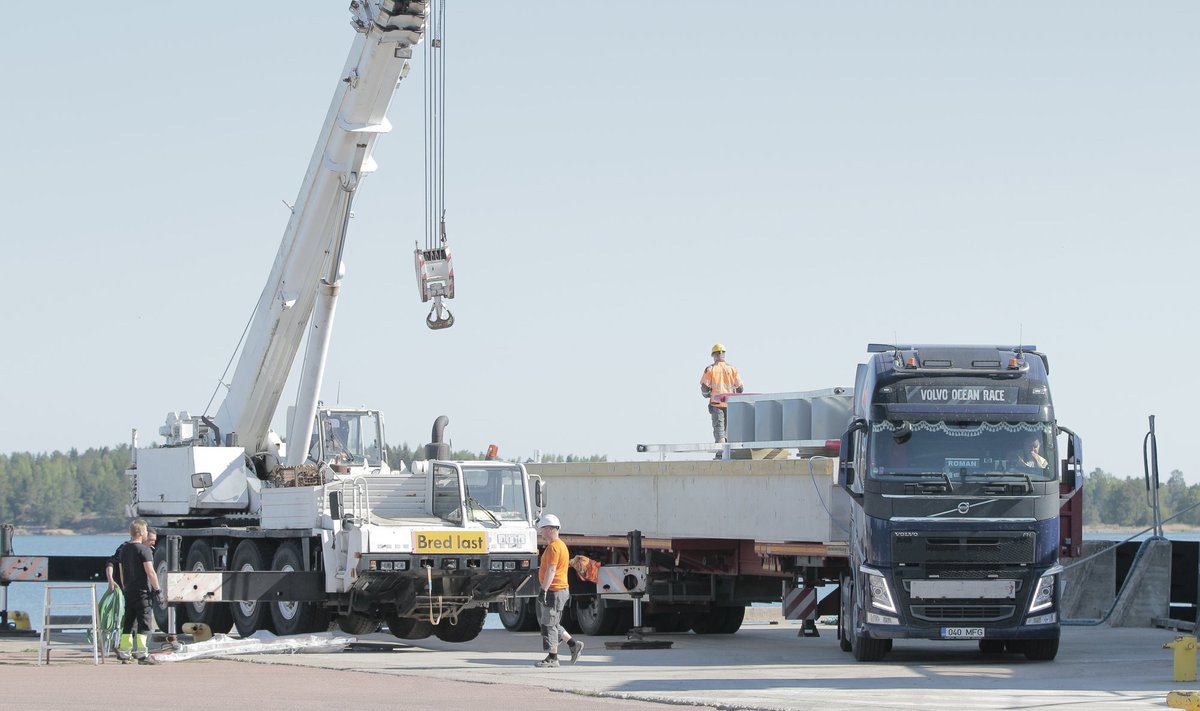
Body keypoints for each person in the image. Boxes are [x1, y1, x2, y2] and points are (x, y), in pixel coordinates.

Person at [534, 513, 583, 668]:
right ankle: (574, 645)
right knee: (553, 623)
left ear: (550, 529)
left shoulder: (554, 547)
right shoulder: (560, 545)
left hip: (555, 590)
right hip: (559, 590)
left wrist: (544, 590)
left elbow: (552, 570)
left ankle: (552, 658)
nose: (541, 532)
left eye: (542, 528)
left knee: (548, 624)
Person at [112, 519, 163, 664]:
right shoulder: (144, 550)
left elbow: (121, 571)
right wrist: (157, 589)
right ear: (140, 532)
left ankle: (125, 653)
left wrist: (125, 587)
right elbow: (150, 572)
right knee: (144, 623)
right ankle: (142, 654)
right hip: (142, 592)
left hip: (129, 591)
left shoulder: (124, 549)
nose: (147, 533)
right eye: (146, 530)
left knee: (128, 622)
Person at [700, 343, 744, 444]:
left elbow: (704, 388)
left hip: (716, 405)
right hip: (731, 405)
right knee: (729, 431)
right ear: (723, 354)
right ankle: (729, 453)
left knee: (720, 432)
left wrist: (707, 395)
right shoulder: (732, 369)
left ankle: (721, 454)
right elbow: (740, 389)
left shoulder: (710, 369)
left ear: (714, 355)